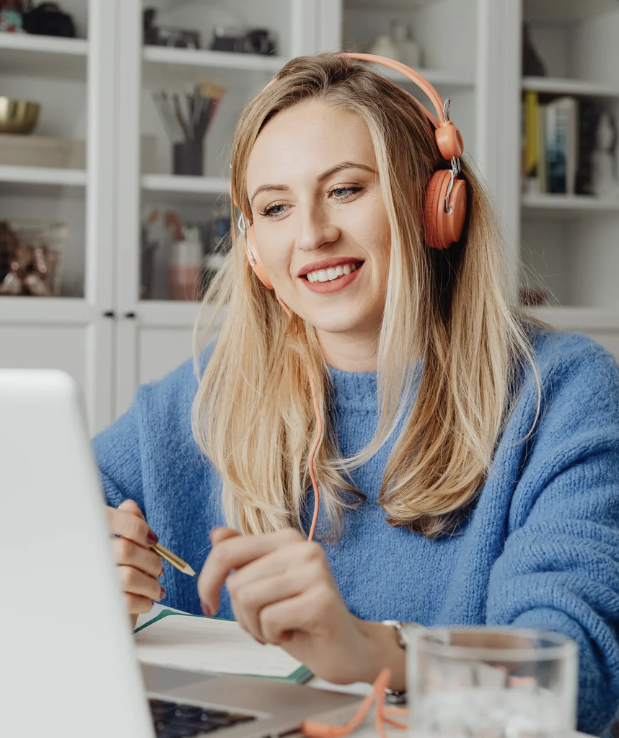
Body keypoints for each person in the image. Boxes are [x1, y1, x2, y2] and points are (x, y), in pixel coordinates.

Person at [96, 53, 619, 734]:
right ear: (254, 250)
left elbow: (572, 673)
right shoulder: (202, 398)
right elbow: (17, 525)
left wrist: (378, 653)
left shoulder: (564, 391)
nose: (312, 234)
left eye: (345, 190)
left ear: (438, 207)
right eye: (276, 207)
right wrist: (81, 575)